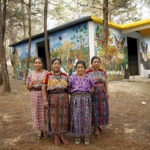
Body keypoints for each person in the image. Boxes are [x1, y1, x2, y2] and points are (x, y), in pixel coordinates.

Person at [42, 58, 69, 146]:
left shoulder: (65, 75)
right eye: (54, 64)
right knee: (54, 117)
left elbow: (68, 88)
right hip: (52, 98)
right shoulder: (47, 75)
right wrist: (45, 100)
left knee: (63, 117)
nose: (56, 65)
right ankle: (55, 136)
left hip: (63, 98)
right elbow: (43, 88)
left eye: (58, 64)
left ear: (60, 65)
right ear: (52, 65)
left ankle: (62, 135)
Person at [68, 60, 95, 145]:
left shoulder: (88, 77)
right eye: (78, 67)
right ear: (76, 68)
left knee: (86, 117)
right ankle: (78, 136)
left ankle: (86, 136)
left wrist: (85, 96)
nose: (80, 69)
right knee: (76, 117)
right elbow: (69, 89)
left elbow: (92, 89)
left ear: (84, 68)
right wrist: (76, 96)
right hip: (75, 100)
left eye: (82, 67)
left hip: (86, 99)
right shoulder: (72, 77)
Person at [26, 57, 48, 139]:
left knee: (45, 111)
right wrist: (33, 91)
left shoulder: (46, 73)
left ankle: (45, 129)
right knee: (36, 112)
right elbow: (27, 85)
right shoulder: (30, 73)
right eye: (36, 62)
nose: (37, 64)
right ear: (34, 64)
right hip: (34, 94)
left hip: (44, 94)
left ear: (42, 64)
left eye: (39, 62)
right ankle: (39, 131)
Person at [86, 56, 109, 136]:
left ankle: (100, 124)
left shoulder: (102, 71)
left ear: (100, 63)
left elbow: (106, 82)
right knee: (94, 110)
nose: (96, 63)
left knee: (102, 109)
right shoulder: (87, 72)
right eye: (94, 62)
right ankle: (95, 128)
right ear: (91, 63)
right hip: (93, 93)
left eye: (97, 62)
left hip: (102, 93)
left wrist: (107, 92)